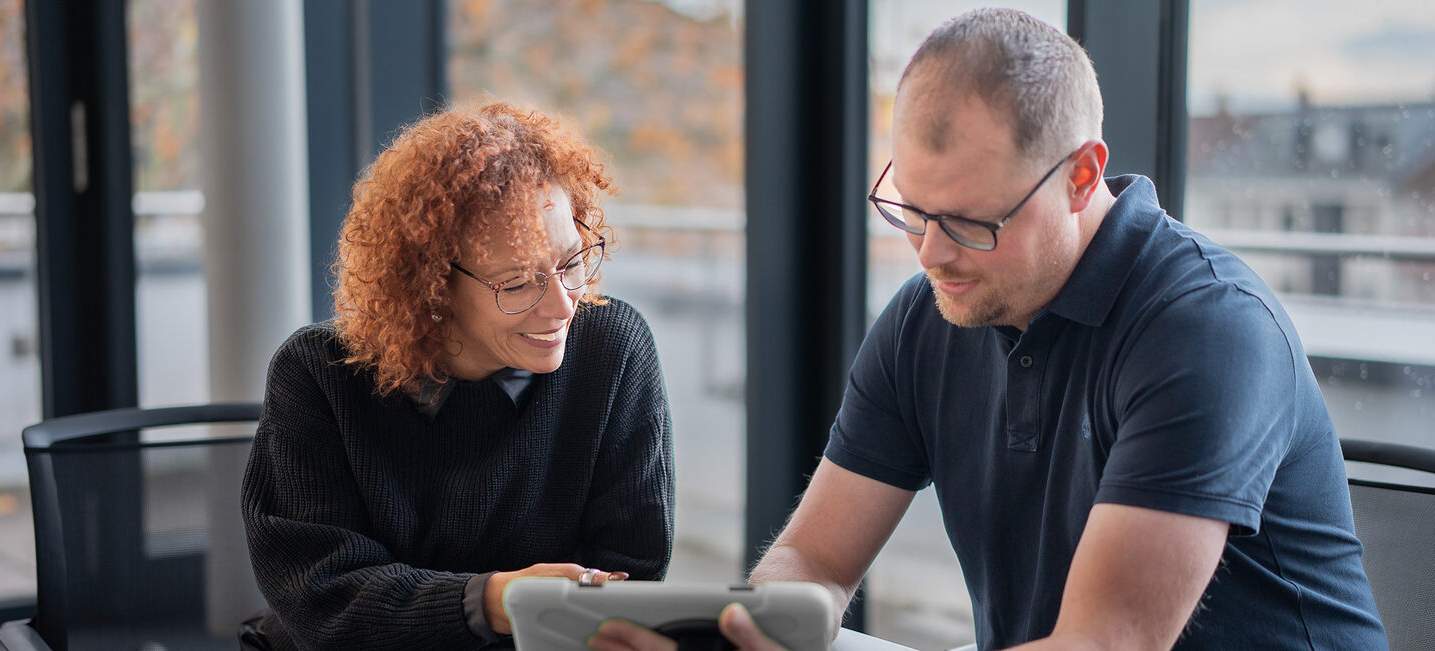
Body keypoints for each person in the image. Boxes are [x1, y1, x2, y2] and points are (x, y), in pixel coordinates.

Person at [591, 8, 1384, 651]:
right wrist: (755, 629)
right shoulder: (928, 316)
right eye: (911, 209)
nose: (930, 254)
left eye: (971, 222)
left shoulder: (1207, 330)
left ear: (1080, 176)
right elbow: (816, 556)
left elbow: (1105, 641)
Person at [241, 101, 674, 650]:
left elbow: (628, 580)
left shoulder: (612, 351)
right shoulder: (318, 374)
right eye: (517, 282)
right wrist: (492, 603)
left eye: (571, 262)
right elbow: (321, 599)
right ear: (431, 287)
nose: (564, 305)